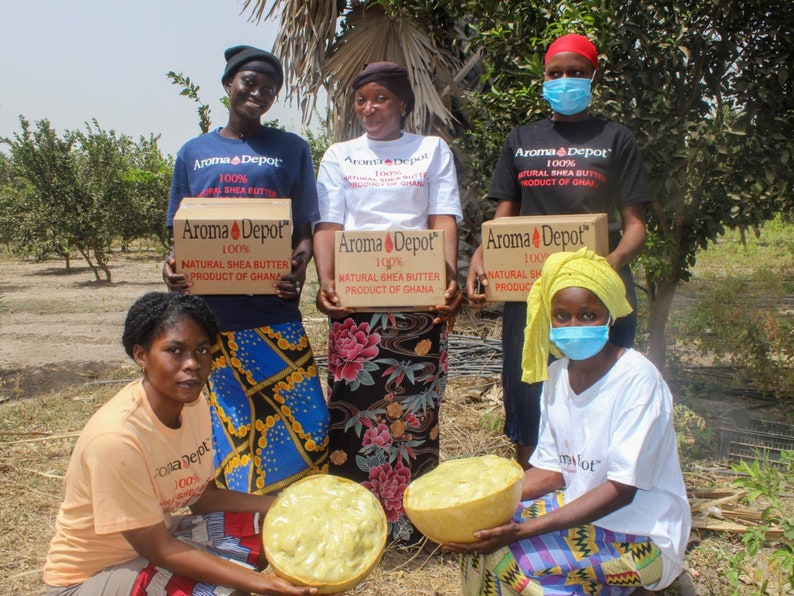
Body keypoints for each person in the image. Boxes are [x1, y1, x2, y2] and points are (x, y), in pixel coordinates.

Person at [446, 248, 690, 595]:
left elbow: (622, 490)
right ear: (549, 317)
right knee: (480, 539)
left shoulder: (637, 380)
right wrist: (475, 500)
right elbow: (551, 471)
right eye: (562, 315)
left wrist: (525, 530)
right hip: (581, 513)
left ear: (609, 316)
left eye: (588, 315)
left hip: (640, 536)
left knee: (515, 563)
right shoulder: (558, 375)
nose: (574, 326)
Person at [43, 292, 317, 595]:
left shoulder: (196, 405)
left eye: (202, 350)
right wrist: (259, 583)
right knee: (223, 589)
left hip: (150, 546)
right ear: (141, 355)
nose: (192, 364)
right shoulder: (116, 440)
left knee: (273, 528)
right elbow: (160, 549)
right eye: (174, 350)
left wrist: (288, 506)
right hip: (88, 579)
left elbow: (204, 498)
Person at [466, 33, 652, 469]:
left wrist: (603, 270)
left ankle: (597, 489)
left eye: (576, 73)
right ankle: (535, 496)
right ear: (543, 78)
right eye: (556, 73)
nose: (565, 81)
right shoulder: (521, 139)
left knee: (601, 395)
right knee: (530, 394)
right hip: (533, 298)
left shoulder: (616, 139)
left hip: (600, 298)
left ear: (592, 77)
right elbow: (502, 220)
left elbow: (635, 228)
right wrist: (482, 256)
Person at [162, 45, 329, 495]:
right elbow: (179, 230)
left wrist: (299, 266)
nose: (258, 93)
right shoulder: (194, 152)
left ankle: (299, 503)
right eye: (249, 83)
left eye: (269, 89)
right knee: (230, 419)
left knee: (303, 412)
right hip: (210, 314)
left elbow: (304, 228)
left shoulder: (291, 149)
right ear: (228, 86)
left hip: (271, 309)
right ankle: (239, 513)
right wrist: (172, 267)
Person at [313, 61, 463, 545]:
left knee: (415, 412)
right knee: (353, 409)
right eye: (361, 100)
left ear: (402, 102)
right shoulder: (339, 155)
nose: (369, 109)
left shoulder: (431, 150)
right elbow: (329, 226)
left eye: (380, 98)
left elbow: (442, 218)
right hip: (358, 310)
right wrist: (327, 281)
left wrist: (447, 278)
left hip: (417, 304)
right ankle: (355, 523)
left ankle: (412, 526)